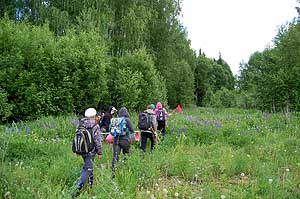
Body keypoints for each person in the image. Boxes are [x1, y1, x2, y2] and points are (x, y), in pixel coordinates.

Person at [72, 108, 103, 198]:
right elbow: (97, 140)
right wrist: (100, 152)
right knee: (87, 169)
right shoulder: (95, 125)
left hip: (81, 150)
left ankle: (90, 186)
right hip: (90, 151)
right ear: (94, 116)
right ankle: (74, 191)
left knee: (89, 167)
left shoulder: (80, 124)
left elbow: (76, 137)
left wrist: (77, 150)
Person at [111, 107, 134, 178]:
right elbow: (132, 129)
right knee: (126, 154)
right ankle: (125, 169)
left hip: (116, 140)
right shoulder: (127, 120)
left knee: (115, 156)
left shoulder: (115, 120)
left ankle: (113, 172)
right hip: (125, 140)